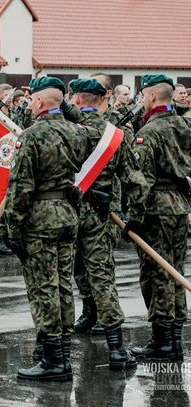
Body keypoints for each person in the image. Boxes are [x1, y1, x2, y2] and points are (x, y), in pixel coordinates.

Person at [6, 77, 88, 381]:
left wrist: (13, 227)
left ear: (39, 102)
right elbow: (93, 131)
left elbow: (21, 186)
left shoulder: (30, 136)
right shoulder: (78, 132)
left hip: (40, 217)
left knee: (43, 287)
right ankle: (62, 350)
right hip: (67, 214)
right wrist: (66, 105)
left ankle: (53, 359)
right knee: (63, 283)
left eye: (31, 99)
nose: (28, 104)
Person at [68, 78, 147, 370]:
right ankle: (115, 346)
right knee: (101, 275)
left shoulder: (64, 130)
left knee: (65, 275)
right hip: (100, 215)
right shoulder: (116, 134)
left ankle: (55, 354)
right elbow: (134, 179)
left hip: (65, 213)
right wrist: (136, 217)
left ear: (76, 100)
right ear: (102, 99)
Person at [128, 75, 191, 361]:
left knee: (157, 274)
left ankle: (162, 340)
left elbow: (142, 180)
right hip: (180, 204)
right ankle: (175, 338)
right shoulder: (184, 125)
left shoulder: (149, 132)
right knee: (175, 270)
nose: (142, 100)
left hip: (157, 206)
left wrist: (135, 216)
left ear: (152, 96)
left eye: (143, 95)